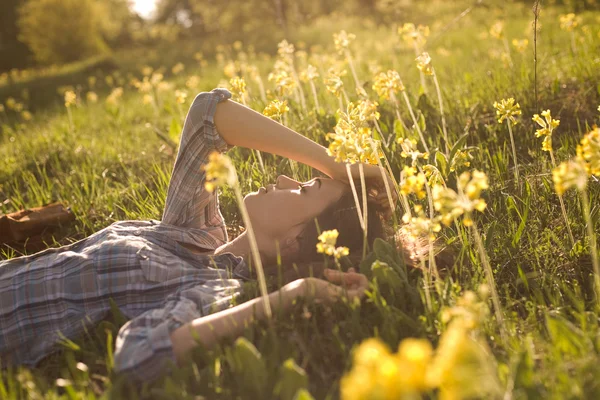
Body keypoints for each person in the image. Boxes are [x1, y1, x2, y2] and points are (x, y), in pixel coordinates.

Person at [0, 88, 395, 383]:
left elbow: (138, 357)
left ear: (297, 240)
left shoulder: (213, 289)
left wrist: (293, 294)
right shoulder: (195, 230)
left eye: (305, 189)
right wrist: (332, 164)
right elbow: (209, 113)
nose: (283, 177)